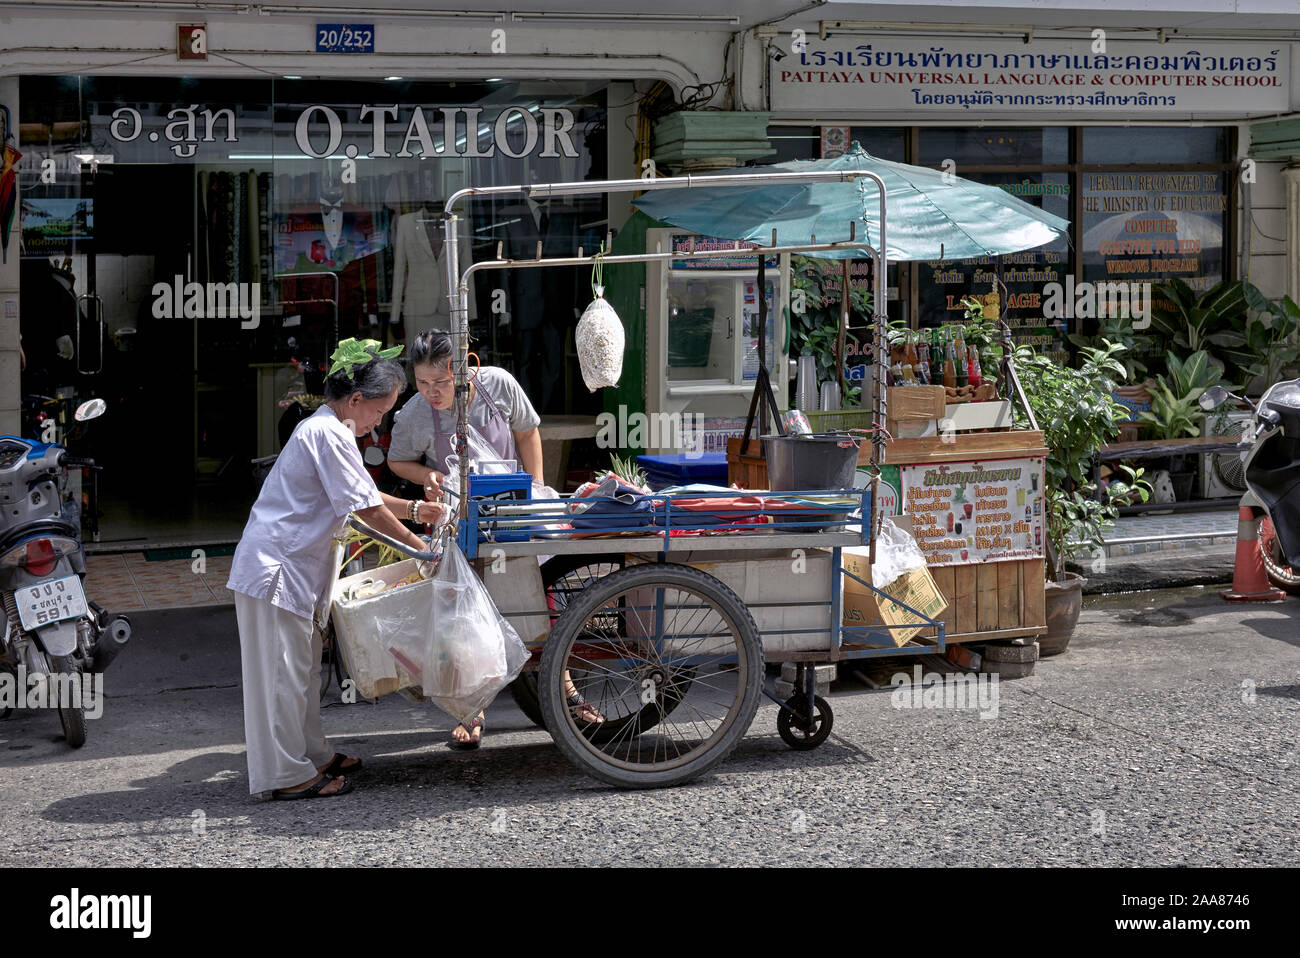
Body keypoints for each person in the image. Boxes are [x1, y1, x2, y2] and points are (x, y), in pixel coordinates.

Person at [228, 338, 447, 800]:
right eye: (380, 411)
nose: (379, 422)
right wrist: (420, 549)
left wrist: (412, 510)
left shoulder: (331, 430)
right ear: (355, 400)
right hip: (277, 571)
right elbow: (364, 508)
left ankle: (313, 754)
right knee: (282, 677)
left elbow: (362, 495)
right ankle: (288, 777)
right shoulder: (327, 433)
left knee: (301, 671)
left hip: (291, 571)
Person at [388, 331, 603, 747]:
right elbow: (398, 460)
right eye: (423, 383)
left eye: (443, 382)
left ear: (468, 367)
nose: (433, 392)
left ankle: (567, 692)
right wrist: (426, 475)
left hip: (514, 512)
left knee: (537, 603)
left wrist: (537, 486)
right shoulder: (416, 413)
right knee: (463, 614)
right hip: (460, 520)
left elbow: (527, 431)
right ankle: (472, 708)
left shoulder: (498, 384)